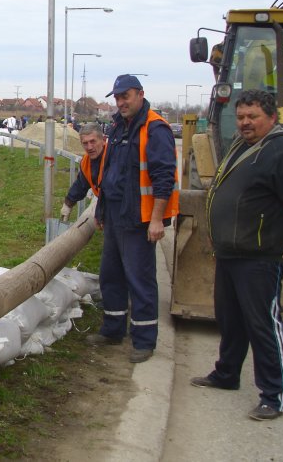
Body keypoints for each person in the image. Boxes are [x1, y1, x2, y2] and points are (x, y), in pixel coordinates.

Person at [190, 89, 283, 421]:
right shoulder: (240, 146)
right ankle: (227, 373)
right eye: (242, 117)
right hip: (231, 253)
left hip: (261, 256)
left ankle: (275, 394)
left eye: (253, 117)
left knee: (263, 323)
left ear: (271, 118)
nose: (245, 123)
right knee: (230, 319)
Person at [87, 74, 179, 364]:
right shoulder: (117, 127)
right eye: (117, 97)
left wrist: (156, 220)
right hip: (115, 213)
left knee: (140, 279)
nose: (121, 102)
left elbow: (163, 177)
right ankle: (113, 329)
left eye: (125, 96)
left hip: (139, 218)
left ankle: (144, 340)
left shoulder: (155, 129)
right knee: (111, 276)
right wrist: (101, 210)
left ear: (140, 94)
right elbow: (108, 172)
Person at [60, 123, 106, 221]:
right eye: (85, 143)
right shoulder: (86, 162)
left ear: (103, 140)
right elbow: (81, 184)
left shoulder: (114, 157)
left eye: (93, 141)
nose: (89, 147)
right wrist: (68, 203)